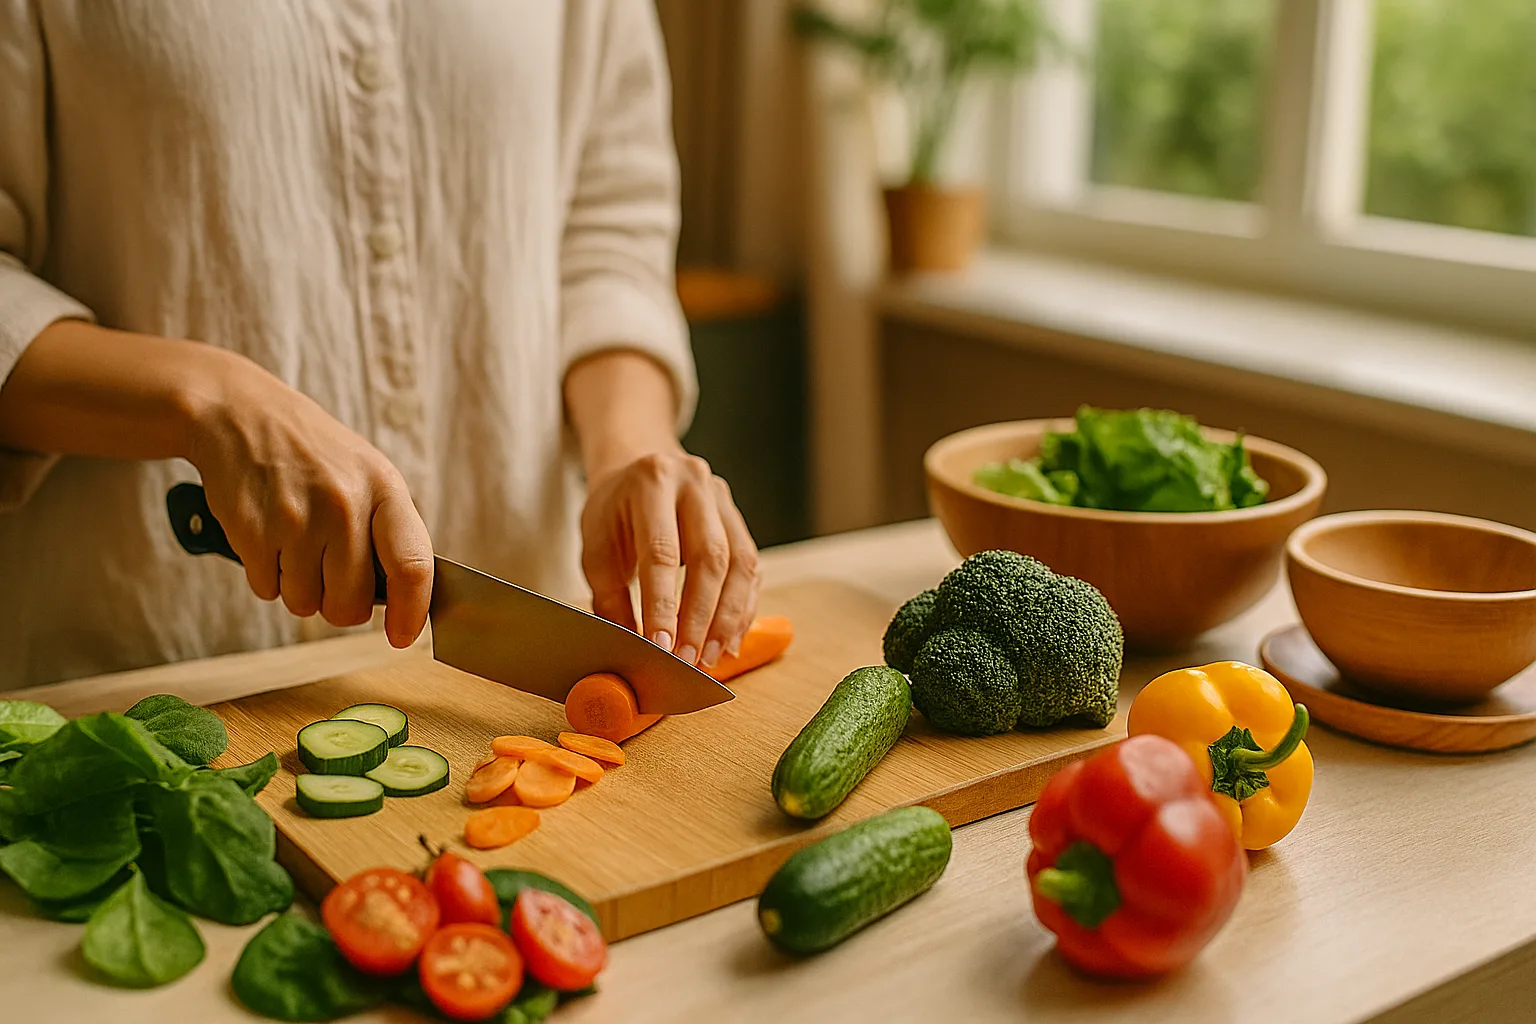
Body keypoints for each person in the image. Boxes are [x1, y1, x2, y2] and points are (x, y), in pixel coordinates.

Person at [0, 2, 760, 688]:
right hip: (152, 680)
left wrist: (628, 446)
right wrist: (205, 399)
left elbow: (607, 231)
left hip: (508, 657)